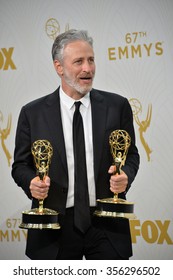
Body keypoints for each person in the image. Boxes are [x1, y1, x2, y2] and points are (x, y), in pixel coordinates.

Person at [12, 29, 140, 260]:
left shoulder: (117, 106)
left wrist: (126, 176)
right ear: (59, 67)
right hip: (54, 227)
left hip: (107, 225)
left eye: (91, 60)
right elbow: (20, 165)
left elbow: (131, 156)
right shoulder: (33, 113)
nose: (88, 69)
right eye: (79, 61)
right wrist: (31, 182)